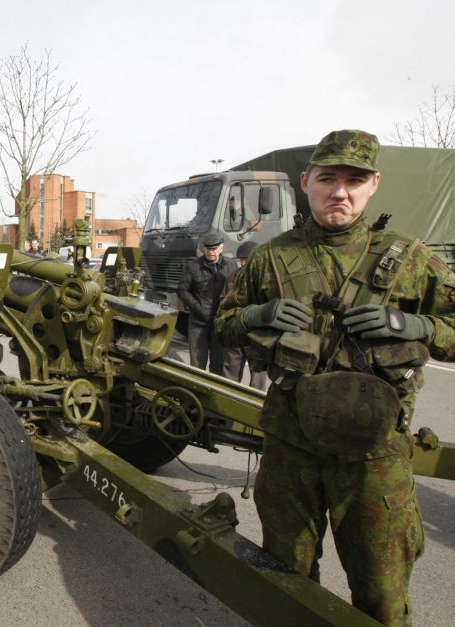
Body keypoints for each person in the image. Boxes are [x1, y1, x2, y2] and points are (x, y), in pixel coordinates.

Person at [216, 129, 455, 625]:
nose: (339, 192)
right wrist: (260, 314)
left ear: (374, 186)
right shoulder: (270, 258)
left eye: (354, 180)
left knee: (381, 590)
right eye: (328, 179)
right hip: (290, 446)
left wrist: (418, 324)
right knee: (286, 578)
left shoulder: (410, 259)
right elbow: (222, 325)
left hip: (376, 455)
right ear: (306, 182)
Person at [177, 231, 238, 376]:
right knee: (197, 366)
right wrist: (199, 308)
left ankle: (213, 395)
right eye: (208, 249)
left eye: (214, 248)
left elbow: (236, 290)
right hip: (198, 323)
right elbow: (182, 290)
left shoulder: (231, 266)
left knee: (218, 365)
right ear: (203, 249)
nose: (210, 252)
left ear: (221, 248)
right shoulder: (193, 266)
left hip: (220, 323)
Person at [221, 240, 268, 390]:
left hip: (257, 334)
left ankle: (254, 405)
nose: (243, 263)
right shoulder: (233, 277)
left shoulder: (267, 279)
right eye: (241, 259)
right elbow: (224, 303)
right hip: (235, 331)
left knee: (258, 376)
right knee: (230, 374)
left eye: (246, 259)